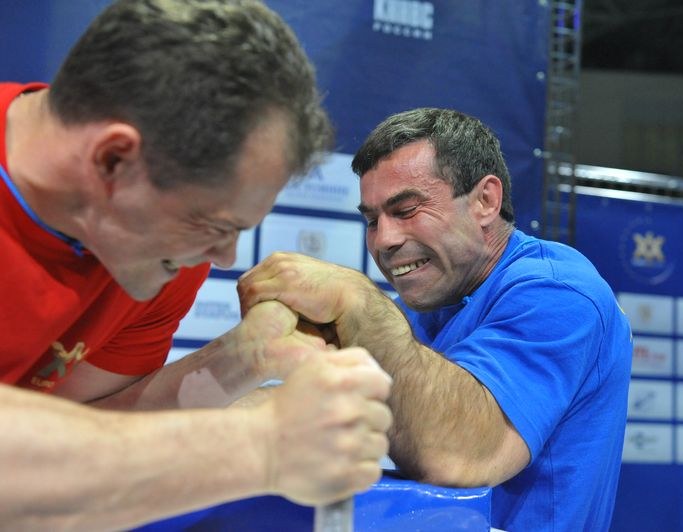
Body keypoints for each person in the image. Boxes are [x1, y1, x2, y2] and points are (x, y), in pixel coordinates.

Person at [0, 1, 393, 529]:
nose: (225, 257)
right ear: (114, 159)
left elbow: (77, 445)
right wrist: (261, 449)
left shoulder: (159, 253)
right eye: (214, 225)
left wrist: (243, 359)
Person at [238, 107, 633, 531]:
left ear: (485, 200)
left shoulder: (558, 294)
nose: (384, 240)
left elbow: (464, 453)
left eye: (406, 210)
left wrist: (358, 301)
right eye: (372, 220)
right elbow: (308, 413)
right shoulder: (424, 304)